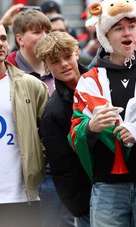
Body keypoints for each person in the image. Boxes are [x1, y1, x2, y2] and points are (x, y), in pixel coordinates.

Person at [68, 0, 136, 227]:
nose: (128, 33)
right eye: (119, 28)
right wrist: (90, 128)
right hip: (107, 187)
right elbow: (75, 132)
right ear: (104, 35)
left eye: (132, 26)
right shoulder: (89, 80)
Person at [0, 19, 48, 227]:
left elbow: (49, 132)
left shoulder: (31, 85)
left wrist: (38, 159)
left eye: (4, 38)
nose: (0, 43)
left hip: (22, 198)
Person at [7, 9, 76, 227]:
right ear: (19, 39)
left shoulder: (62, 71)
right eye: (37, 32)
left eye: (48, 30)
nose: (45, 36)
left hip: (68, 167)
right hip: (31, 173)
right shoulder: (7, 73)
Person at [35, 31, 91, 227]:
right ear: (47, 66)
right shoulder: (52, 113)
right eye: (55, 61)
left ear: (76, 53)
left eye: (67, 57)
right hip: (89, 199)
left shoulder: (103, 79)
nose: (64, 64)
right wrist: (81, 205)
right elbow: (63, 167)